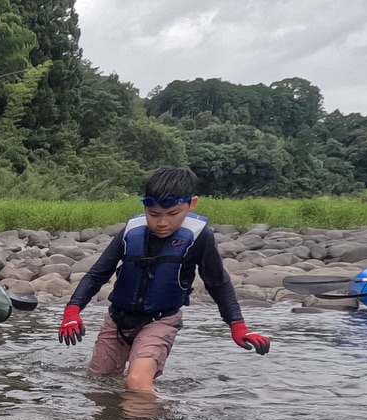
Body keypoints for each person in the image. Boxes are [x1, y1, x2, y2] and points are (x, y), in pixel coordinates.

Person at [57, 165, 272, 394]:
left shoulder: (200, 238)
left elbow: (218, 283)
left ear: (192, 204)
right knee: (98, 385)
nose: (162, 223)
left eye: (172, 214)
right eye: (154, 214)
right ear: (145, 207)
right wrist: (72, 311)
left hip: (160, 321)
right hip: (117, 320)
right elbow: (97, 274)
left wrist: (238, 325)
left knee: (137, 384)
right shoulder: (131, 232)